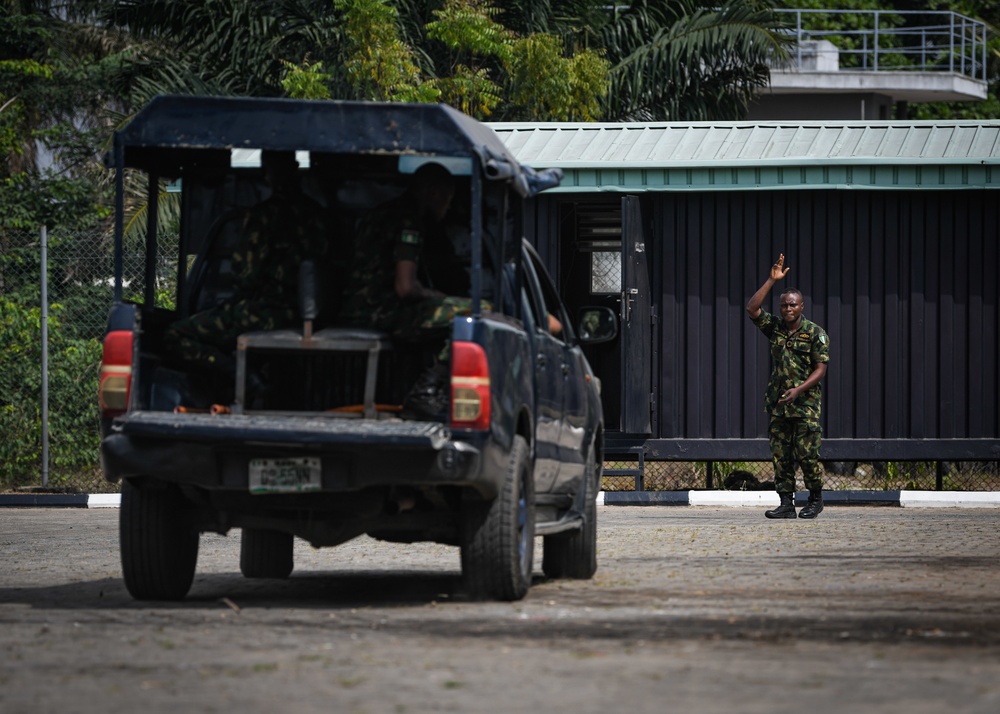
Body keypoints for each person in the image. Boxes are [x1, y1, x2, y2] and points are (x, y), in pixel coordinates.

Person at [338, 163, 480, 420]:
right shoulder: (409, 220)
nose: (447, 209)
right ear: (434, 194)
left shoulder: (381, 213)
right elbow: (405, 287)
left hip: (353, 307)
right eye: (448, 200)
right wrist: (436, 296)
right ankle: (425, 391)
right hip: (378, 311)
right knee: (475, 313)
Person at [164, 151, 327, 375]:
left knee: (176, 334)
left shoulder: (264, 215)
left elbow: (244, 276)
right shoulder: (318, 214)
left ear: (267, 175)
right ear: (296, 168)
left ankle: (239, 375)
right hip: (311, 315)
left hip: (264, 312)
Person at [746, 253, 830, 519]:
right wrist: (771, 281)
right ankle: (786, 504)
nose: (787, 309)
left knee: (807, 457)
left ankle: (815, 500)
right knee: (781, 458)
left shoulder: (815, 334)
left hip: (805, 406)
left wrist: (799, 390)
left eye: (792, 305)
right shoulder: (775, 328)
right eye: (784, 306)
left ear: (802, 306)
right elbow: (752, 309)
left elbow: (820, 369)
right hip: (779, 405)